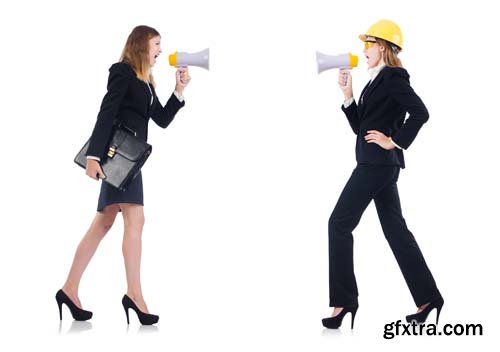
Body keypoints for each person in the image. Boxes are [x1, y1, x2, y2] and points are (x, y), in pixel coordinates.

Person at [55, 25, 190, 325]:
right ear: (142, 44)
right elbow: (107, 112)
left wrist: (179, 91)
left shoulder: (146, 82)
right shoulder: (122, 72)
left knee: (103, 223)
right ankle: (134, 295)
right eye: (157, 44)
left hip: (130, 163)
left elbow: (161, 120)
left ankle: (69, 289)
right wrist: (93, 157)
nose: (160, 50)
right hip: (116, 161)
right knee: (135, 219)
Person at [322, 20, 443, 329]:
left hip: (376, 165)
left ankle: (344, 303)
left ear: (384, 47)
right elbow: (361, 129)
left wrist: (396, 140)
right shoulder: (377, 81)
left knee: (338, 224)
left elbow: (421, 112)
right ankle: (429, 298)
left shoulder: (392, 77)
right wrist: (348, 96)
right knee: (396, 231)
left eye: (369, 44)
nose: (364, 50)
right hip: (381, 165)